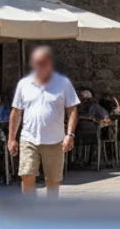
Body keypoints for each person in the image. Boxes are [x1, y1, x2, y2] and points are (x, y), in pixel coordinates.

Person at [8, 46, 80, 198]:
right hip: (29, 138)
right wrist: (11, 139)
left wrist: (70, 134)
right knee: (26, 174)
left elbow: (72, 109)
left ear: (50, 63)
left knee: (53, 180)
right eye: (37, 62)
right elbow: (16, 112)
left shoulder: (63, 83)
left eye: (43, 62)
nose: (40, 65)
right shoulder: (24, 84)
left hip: (55, 140)